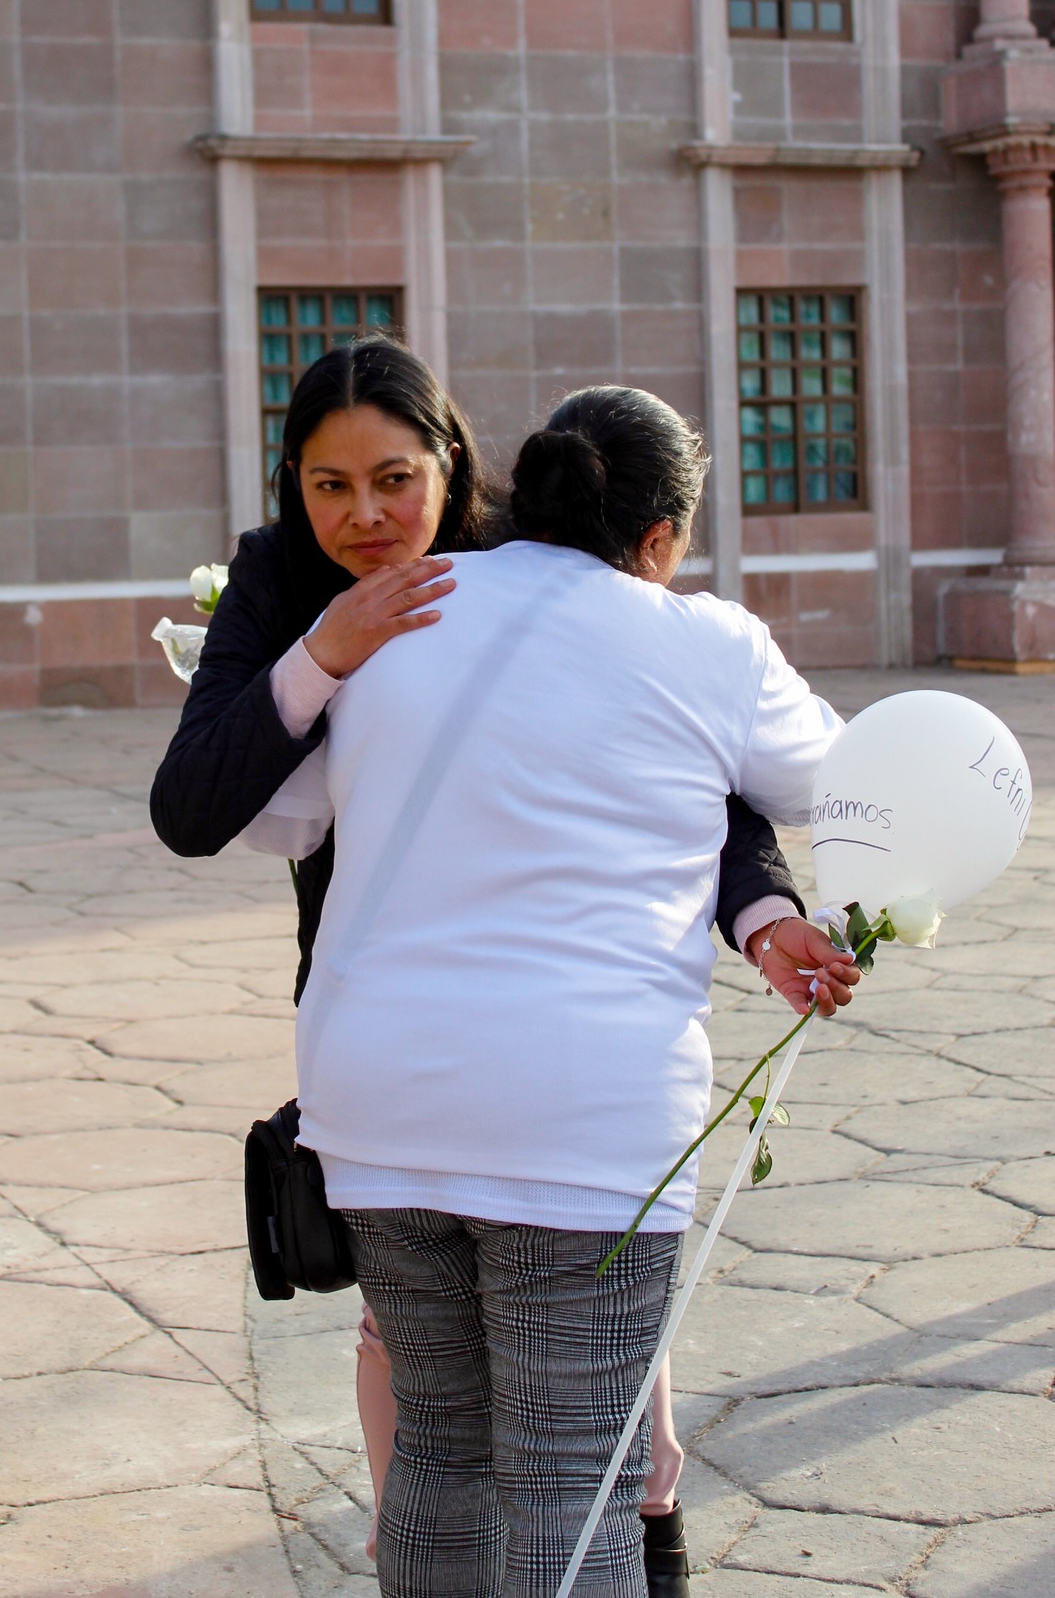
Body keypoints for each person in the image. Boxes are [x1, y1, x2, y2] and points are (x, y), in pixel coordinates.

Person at [150, 343, 816, 1594]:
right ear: (291, 485)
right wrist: (321, 653)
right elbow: (196, 803)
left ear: (456, 467)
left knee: (498, 1446)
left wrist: (762, 908)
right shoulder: (299, 586)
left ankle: (647, 1540)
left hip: (391, 1073)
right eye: (327, 484)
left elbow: (687, 775)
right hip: (532, 1088)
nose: (362, 516)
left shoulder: (486, 581)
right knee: (545, 1459)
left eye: (392, 479)